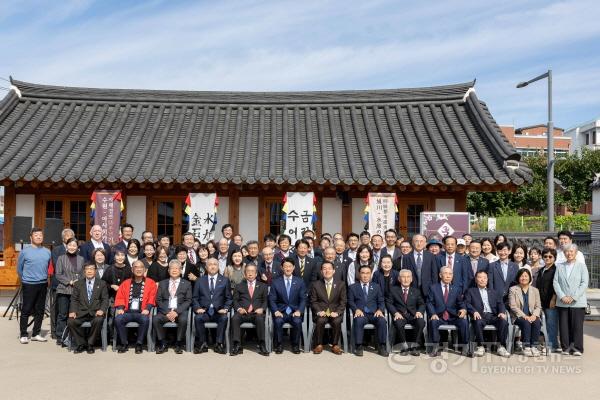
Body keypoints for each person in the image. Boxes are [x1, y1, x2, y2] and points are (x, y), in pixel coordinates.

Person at [113, 260, 157, 354]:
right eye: (136, 267)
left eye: (141, 267)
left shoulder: (151, 283)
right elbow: (120, 296)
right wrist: (120, 308)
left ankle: (139, 344)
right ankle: (124, 343)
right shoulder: (126, 283)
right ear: (132, 269)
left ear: (144, 270)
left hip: (141, 312)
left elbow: (152, 297)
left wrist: (147, 309)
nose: (138, 269)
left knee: (145, 320)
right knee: (118, 319)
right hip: (127, 312)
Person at [17, 227, 52, 344]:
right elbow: (20, 269)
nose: (38, 237)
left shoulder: (47, 252)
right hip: (29, 284)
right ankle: (23, 334)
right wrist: (26, 280)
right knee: (26, 309)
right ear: (31, 237)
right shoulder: (24, 252)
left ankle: (36, 333)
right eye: (36, 235)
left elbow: (48, 268)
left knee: (40, 310)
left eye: (40, 235)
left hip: (42, 284)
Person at [554, 243, 588, 356]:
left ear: (576, 253)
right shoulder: (560, 266)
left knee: (577, 326)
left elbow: (584, 283)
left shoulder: (582, 266)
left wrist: (573, 297)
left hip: (577, 302)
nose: (569, 253)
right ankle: (566, 348)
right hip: (562, 301)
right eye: (567, 252)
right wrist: (562, 296)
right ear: (564, 253)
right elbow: (556, 282)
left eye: (571, 251)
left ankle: (577, 348)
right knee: (563, 326)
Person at [465, 271, 510, 357]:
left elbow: (500, 303)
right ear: (476, 279)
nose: (482, 280)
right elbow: (467, 303)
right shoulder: (471, 291)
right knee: (477, 322)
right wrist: (473, 311)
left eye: (484, 278)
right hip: (480, 316)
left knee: (503, 322)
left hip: (493, 316)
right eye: (480, 277)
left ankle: (501, 347)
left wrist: (501, 312)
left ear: (487, 279)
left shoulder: (493, 292)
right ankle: (480, 346)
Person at [426, 266, 469, 357]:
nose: (448, 276)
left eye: (450, 274)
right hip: (439, 316)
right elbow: (429, 302)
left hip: (453, 316)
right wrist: (433, 314)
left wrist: (463, 309)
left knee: (464, 322)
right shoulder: (433, 288)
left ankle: (465, 347)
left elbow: (460, 302)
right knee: (433, 322)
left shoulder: (456, 288)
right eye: (445, 273)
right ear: (440, 275)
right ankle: (435, 347)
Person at [67, 263, 109, 353]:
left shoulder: (102, 283)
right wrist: (73, 311)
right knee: (71, 321)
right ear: (84, 271)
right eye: (87, 269)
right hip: (81, 312)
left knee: (98, 320)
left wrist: (102, 310)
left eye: (92, 269)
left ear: (95, 271)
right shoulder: (78, 284)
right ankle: (81, 343)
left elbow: (105, 299)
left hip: (96, 312)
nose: (89, 271)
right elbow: (74, 299)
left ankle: (90, 344)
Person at [193, 258, 232, 354]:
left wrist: (226, 309)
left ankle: (219, 344)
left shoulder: (224, 280)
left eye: (215, 264)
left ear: (218, 267)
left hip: (218, 311)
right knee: (198, 318)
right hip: (204, 311)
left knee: (223, 318)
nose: (212, 266)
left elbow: (229, 298)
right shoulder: (200, 281)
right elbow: (194, 298)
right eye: (210, 264)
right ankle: (202, 343)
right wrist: (198, 308)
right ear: (206, 267)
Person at [348, 265, 389, 357]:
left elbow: (381, 301)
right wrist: (356, 310)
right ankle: (359, 346)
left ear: (371, 274)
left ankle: (382, 346)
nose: (365, 275)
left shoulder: (376, 287)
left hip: (374, 313)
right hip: (361, 313)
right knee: (358, 320)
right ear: (359, 274)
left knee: (382, 321)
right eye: (363, 273)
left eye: (367, 273)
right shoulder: (353, 287)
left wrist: (380, 310)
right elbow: (350, 301)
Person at [153, 260, 192, 354]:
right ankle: (162, 343)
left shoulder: (187, 283)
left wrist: (176, 312)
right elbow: (158, 299)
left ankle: (179, 343)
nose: (174, 270)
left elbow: (188, 300)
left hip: (180, 311)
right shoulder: (162, 283)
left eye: (176, 268)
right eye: (172, 268)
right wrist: (167, 312)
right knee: (156, 319)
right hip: (165, 311)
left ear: (181, 270)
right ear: (168, 270)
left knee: (183, 320)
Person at [268, 257, 306, 354]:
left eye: (290, 266)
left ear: (293, 267)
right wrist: (276, 311)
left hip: (294, 311)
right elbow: (272, 299)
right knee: (278, 321)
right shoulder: (276, 282)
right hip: (281, 311)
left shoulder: (300, 281)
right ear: (282, 268)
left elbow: (303, 299)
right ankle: (279, 345)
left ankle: (295, 345)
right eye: (285, 267)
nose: (288, 269)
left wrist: (299, 311)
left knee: (297, 321)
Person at [231, 264, 269, 356]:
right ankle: (237, 345)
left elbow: (266, 300)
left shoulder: (263, 286)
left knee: (260, 319)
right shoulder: (239, 286)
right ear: (245, 274)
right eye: (248, 271)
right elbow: (235, 300)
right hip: (243, 312)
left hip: (256, 313)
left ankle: (262, 344)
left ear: (256, 274)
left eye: (252, 271)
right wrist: (239, 308)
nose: (250, 274)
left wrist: (262, 309)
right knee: (235, 318)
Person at [386, 269, 425, 356]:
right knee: (398, 323)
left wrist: (419, 312)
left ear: (411, 279)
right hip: (400, 315)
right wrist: (395, 313)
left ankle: (415, 346)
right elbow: (389, 303)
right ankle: (404, 346)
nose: (406, 279)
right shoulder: (393, 290)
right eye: (403, 277)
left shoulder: (416, 291)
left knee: (421, 322)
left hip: (413, 315)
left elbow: (422, 304)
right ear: (399, 279)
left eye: (408, 277)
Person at [310, 261, 347, 355]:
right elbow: (313, 301)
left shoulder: (341, 284)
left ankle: (335, 345)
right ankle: (318, 344)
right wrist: (318, 311)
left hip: (334, 312)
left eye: (329, 268)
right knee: (320, 321)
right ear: (321, 271)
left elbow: (343, 302)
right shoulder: (316, 284)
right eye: (324, 269)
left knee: (337, 321)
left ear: (334, 271)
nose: (327, 271)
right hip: (321, 312)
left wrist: (338, 312)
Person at [54, 237, 84, 344]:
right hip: (64, 290)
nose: (72, 247)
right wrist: (69, 281)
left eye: (74, 245)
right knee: (62, 314)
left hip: (77, 291)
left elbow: (83, 273)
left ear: (77, 247)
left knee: (75, 314)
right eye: (70, 245)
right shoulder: (61, 258)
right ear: (66, 246)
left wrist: (78, 281)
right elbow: (58, 274)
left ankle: (73, 335)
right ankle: (60, 336)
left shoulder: (81, 259)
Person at [509, 269, 542, 357]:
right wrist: (524, 316)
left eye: (526, 276)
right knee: (526, 322)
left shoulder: (535, 290)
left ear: (530, 278)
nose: (524, 278)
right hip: (518, 316)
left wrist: (534, 315)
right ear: (518, 278)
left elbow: (538, 306)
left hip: (532, 315)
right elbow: (513, 306)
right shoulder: (513, 289)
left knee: (537, 322)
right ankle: (526, 347)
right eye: (522, 276)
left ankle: (534, 346)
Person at [50, 228, 75, 340]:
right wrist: (69, 279)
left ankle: (69, 334)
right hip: (59, 284)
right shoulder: (57, 250)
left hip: (73, 286)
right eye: (66, 235)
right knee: (57, 310)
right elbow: (57, 266)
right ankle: (56, 333)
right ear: (63, 238)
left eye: (71, 235)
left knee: (69, 310)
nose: (68, 237)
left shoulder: (76, 250)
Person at [535, 248, 559, 353]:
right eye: (545, 256)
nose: (547, 258)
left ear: (554, 258)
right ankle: (543, 344)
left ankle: (552, 345)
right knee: (542, 324)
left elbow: (556, 286)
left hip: (551, 301)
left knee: (551, 324)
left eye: (550, 257)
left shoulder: (556, 270)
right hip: (541, 302)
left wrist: (554, 299)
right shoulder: (541, 270)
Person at [399, 234, 437, 298]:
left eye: (421, 241)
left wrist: (434, 289)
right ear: (413, 243)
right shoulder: (406, 257)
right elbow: (404, 274)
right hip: (412, 289)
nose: (419, 243)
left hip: (428, 289)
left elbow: (434, 274)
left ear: (425, 243)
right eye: (416, 241)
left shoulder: (430, 256)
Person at [488, 242, 518, 306]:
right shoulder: (492, 266)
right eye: (500, 250)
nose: (502, 252)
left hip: (511, 297)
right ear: (497, 252)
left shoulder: (515, 266)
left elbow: (516, 282)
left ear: (509, 251)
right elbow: (490, 283)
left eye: (505, 250)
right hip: (496, 298)